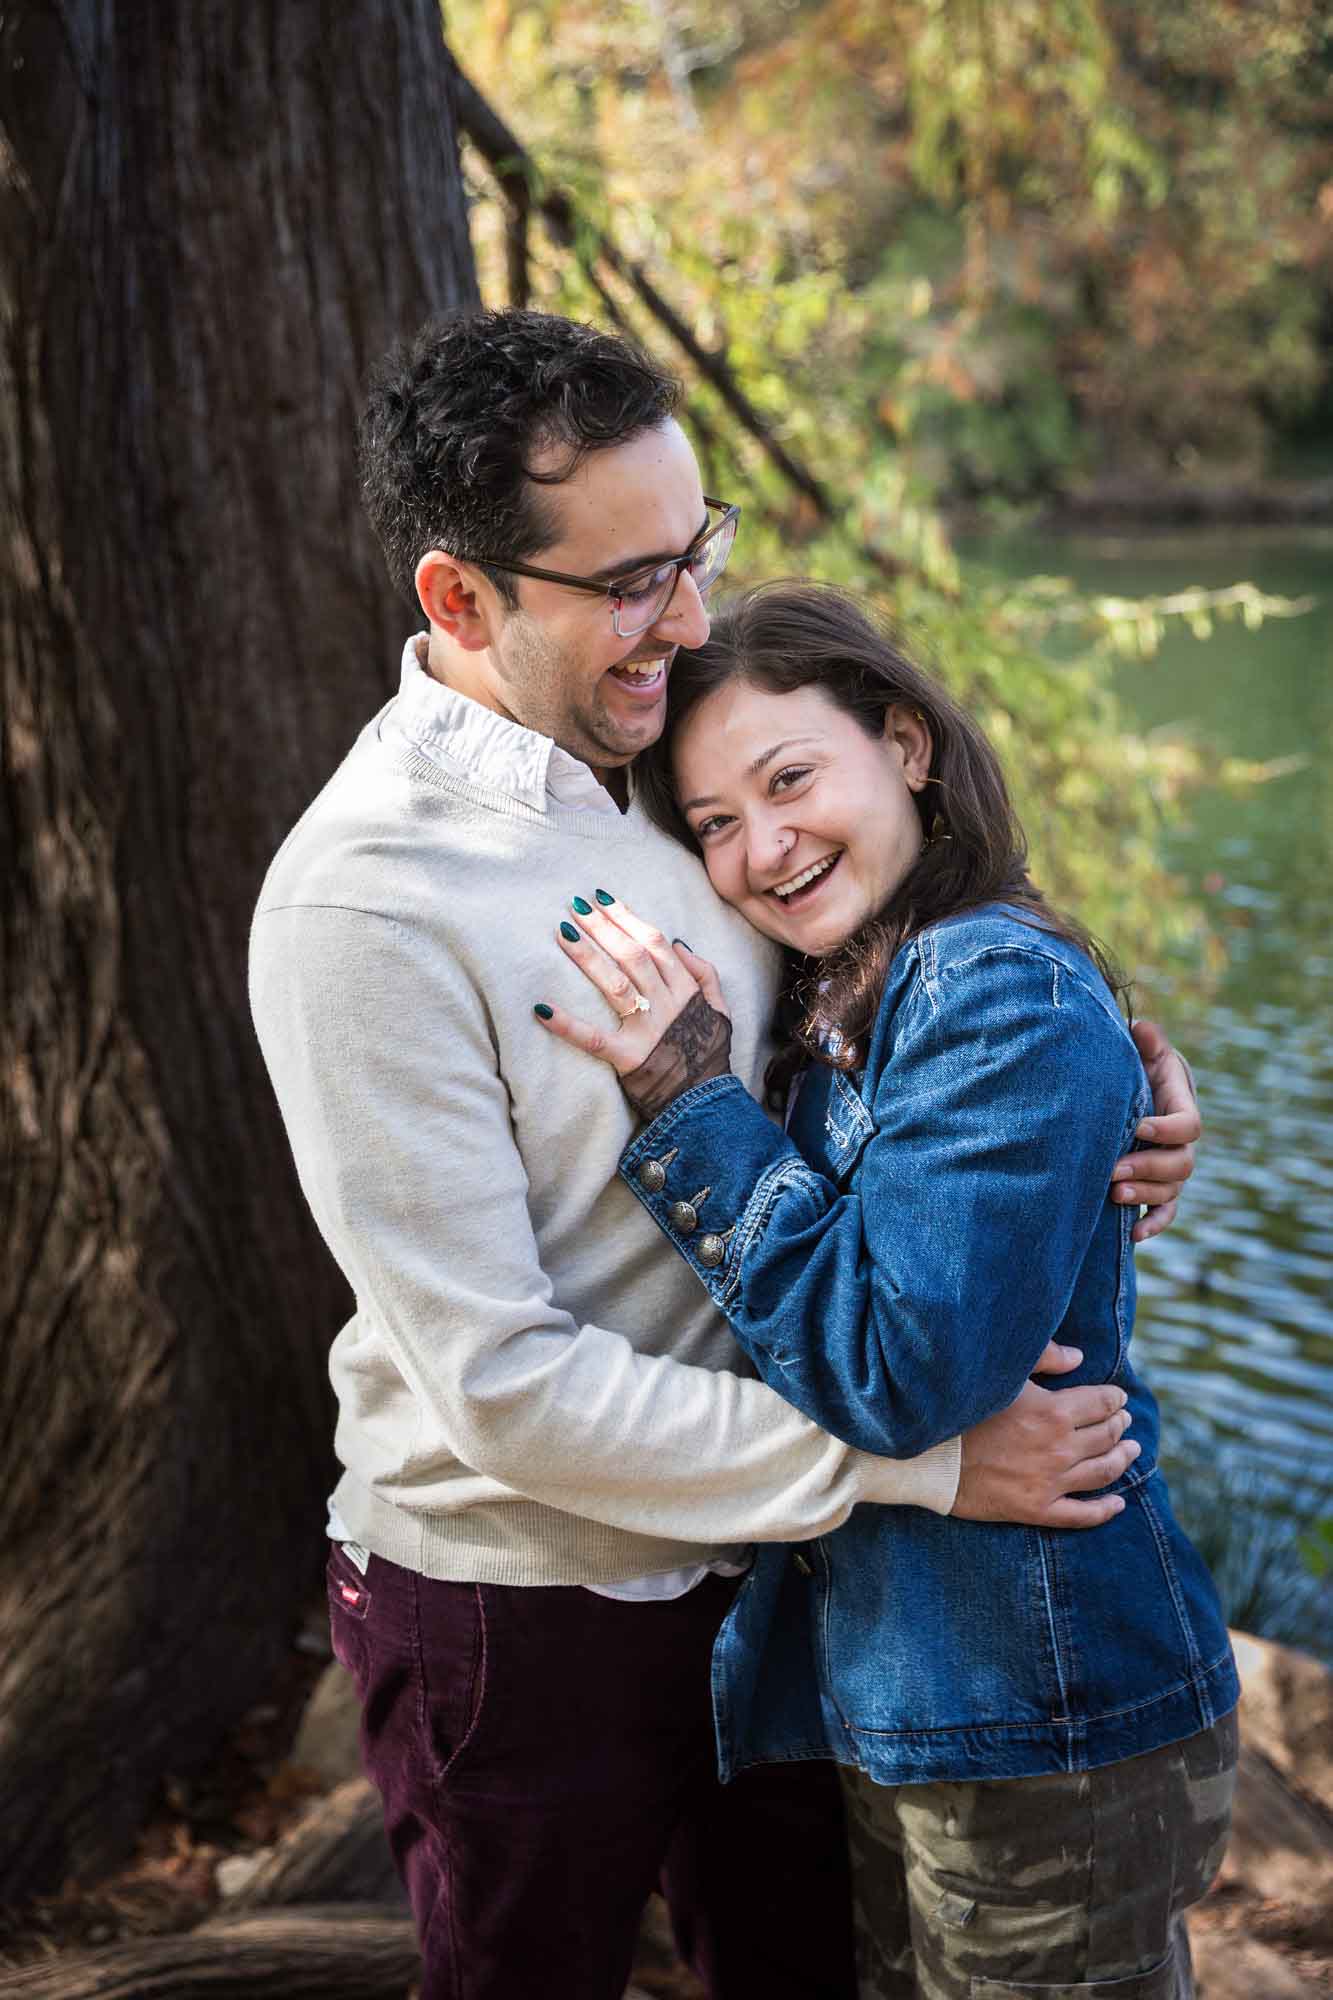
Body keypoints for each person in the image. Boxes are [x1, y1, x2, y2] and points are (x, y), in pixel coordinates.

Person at [249, 310, 1202, 2000]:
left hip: (783, 1575)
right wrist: (914, 1467)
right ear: (461, 600)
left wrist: (1098, 1111)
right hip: (524, 1603)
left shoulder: (674, 745)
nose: (680, 623)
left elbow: (879, 1012)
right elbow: (503, 1384)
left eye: (694, 554)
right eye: (627, 583)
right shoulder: (365, 905)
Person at [536, 579, 1239, 2000]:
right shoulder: (865, 989)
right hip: (919, 1700)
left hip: (1043, 1712)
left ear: (905, 744)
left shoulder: (984, 983)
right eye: (714, 825)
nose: (762, 847)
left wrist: (687, 1100)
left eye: (789, 779)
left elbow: (897, 1368)